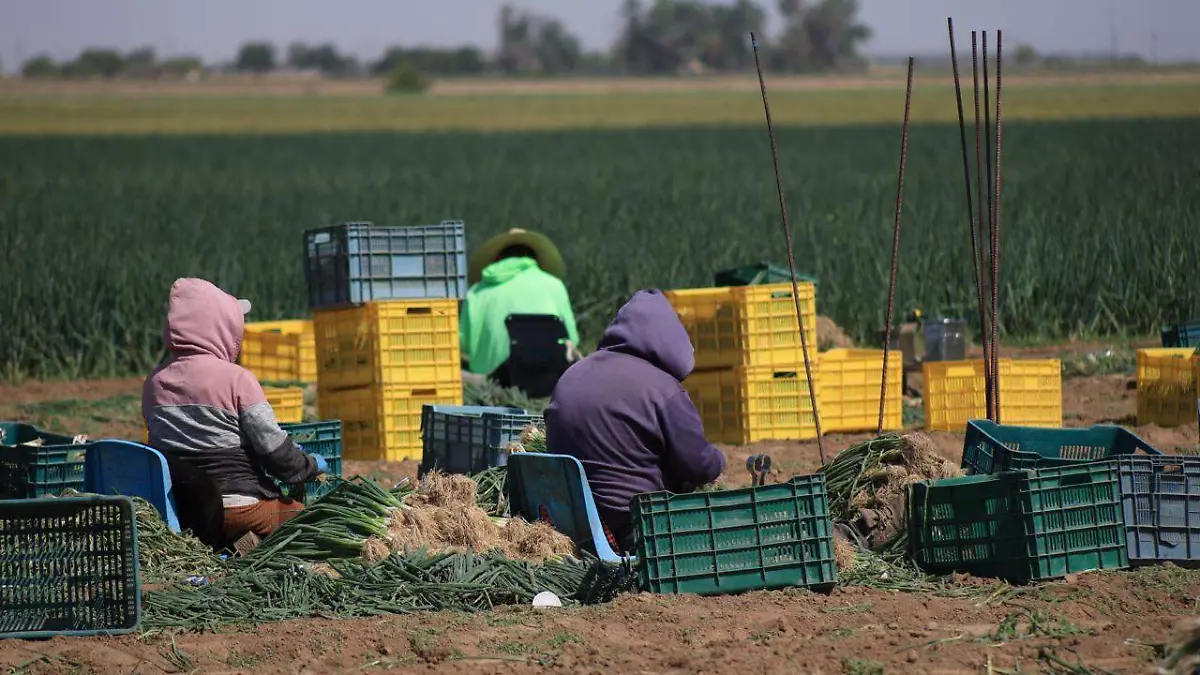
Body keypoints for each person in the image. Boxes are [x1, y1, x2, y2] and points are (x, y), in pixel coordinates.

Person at [142, 278, 327, 553]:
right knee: (306, 519)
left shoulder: (154, 383)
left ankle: (237, 545)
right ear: (220, 327)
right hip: (238, 507)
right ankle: (246, 542)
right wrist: (308, 466)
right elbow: (275, 453)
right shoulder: (237, 379)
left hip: (183, 511)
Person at [543, 289, 727, 553]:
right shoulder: (663, 389)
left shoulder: (571, 375)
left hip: (571, 522)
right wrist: (719, 460)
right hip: (634, 527)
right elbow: (698, 466)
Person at [460, 228, 580, 386]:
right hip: (548, 380)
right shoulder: (555, 285)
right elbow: (572, 339)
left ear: (497, 258)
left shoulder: (477, 292)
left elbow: (465, 344)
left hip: (493, 383)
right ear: (534, 257)